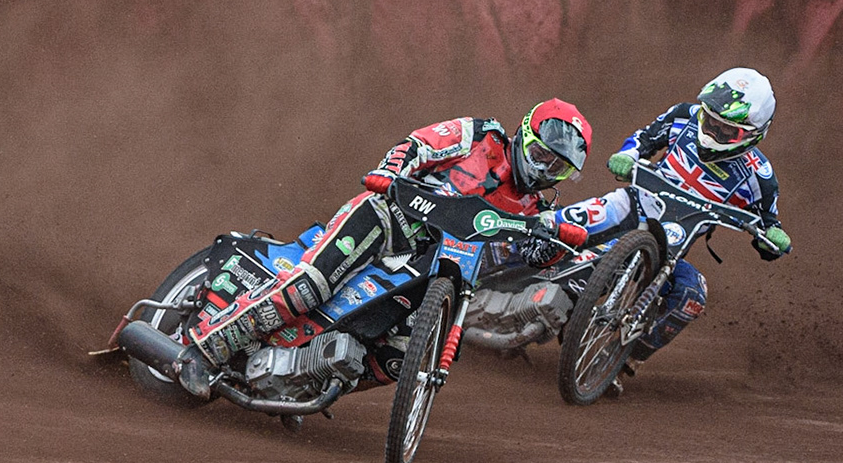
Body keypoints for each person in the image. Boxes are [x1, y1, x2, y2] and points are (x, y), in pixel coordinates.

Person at [191, 100, 594, 367]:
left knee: (399, 356)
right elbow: (420, 144)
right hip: (389, 217)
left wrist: (559, 242)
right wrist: (389, 172)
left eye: (557, 168)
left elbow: (533, 256)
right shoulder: (480, 135)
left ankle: (303, 376)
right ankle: (203, 349)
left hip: (429, 268)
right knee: (310, 287)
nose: (544, 171)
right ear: (524, 135)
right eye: (541, 156)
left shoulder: (535, 209)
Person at [556, 67, 791, 362]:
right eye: (710, 120)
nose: (713, 132)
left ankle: (624, 357)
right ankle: (511, 256)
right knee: (567, 221)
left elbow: (767, 224)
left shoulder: (760, 177)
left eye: (726, 130)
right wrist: (628, 155)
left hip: (671, 241)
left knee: (693, 295)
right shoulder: (683, 116)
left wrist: (772, 238)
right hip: (632, 203)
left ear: (753, 134)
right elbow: (644, 138)